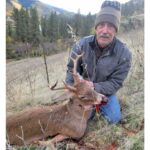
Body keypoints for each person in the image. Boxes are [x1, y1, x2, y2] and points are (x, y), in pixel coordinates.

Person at [65, 0, 132, 124]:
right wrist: (72, 88)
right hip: (82, 91)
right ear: (96, 28)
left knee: (114, 119)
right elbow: (71, 70)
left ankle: (97, 108)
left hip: (105, 91)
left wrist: (95, 86)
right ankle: (91, 109)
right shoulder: (81, 45)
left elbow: (116, 82)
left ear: (116, 30)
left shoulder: (124, 53)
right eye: (101, 25)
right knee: (71, 116)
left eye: (111, 26)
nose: (105, 31)